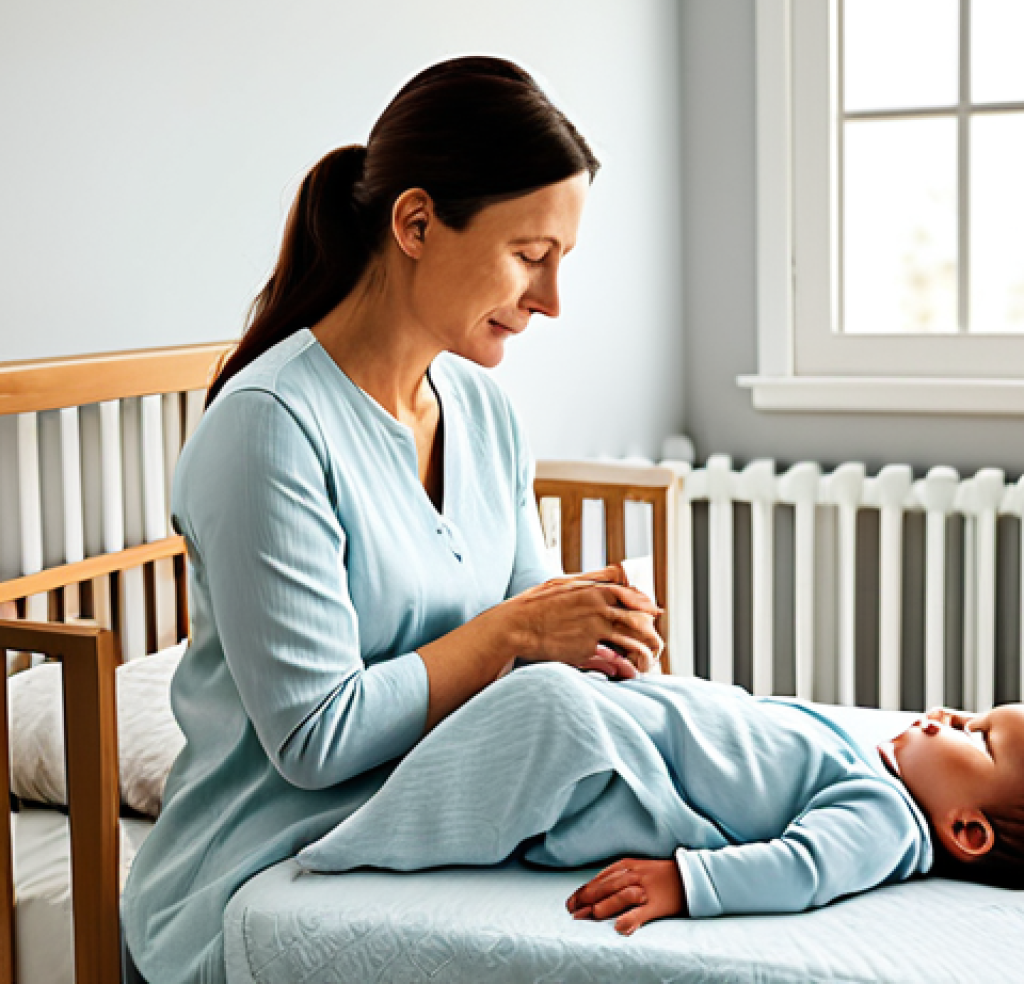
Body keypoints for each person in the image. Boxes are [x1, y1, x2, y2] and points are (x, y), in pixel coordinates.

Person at [120, 56, 663, 984]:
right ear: (416, 223)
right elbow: (315, 739)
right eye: (530, 255)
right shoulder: (268, 430)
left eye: (561, 261)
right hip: (256, 880)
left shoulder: (482, 411)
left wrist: (594, 639)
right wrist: (523, 632)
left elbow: (531, 632)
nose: (551, 299)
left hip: (434, 829)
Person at [563, 699, 1024, 936]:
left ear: (966, 829)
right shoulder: (888, 778)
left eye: (972, 733)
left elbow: (803, 869)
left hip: (636, 759)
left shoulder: (890, 819)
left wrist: (685, 884)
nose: (945, 716)